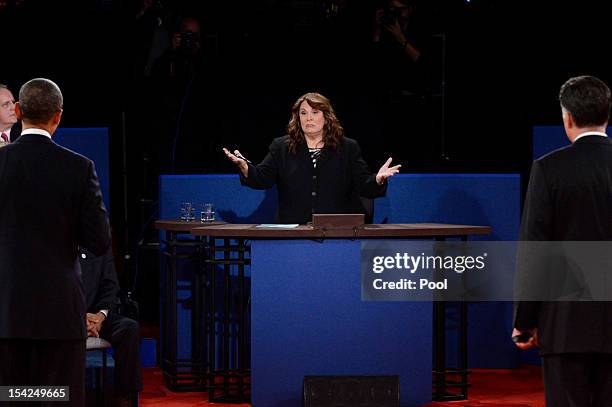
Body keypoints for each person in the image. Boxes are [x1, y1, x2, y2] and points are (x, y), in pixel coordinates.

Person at [0, 78, 111, 406]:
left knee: (12, 398)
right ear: (58, 117)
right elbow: (100, 241)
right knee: (59, 398)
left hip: (6, 310)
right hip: (59, 313)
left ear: (18, 111)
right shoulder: (79, 168)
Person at [513, 76, 612, 406]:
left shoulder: (548, 170)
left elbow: (535, 252)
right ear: (606, 115)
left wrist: (524, 321)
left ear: (567, 117)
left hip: (565, 326)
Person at [223, 92, 400, 224]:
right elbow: (263, 178)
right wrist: (245, 167)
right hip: (294, 229)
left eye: (315, 112)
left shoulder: (347, 147)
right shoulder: (281, 147)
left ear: (326, 116)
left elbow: (364, 186)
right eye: (303, 113)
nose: (309, 118)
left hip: (337, 231)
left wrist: (378, 179)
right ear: (297, 117)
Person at [80, 247, 142, 407]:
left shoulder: (99, 247)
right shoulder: (57, 245)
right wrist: (80, 317)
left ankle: (125, 397)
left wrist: (100, 316)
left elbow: (111, 286)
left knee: (129, 328)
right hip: (65, 316)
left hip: (97, 316)